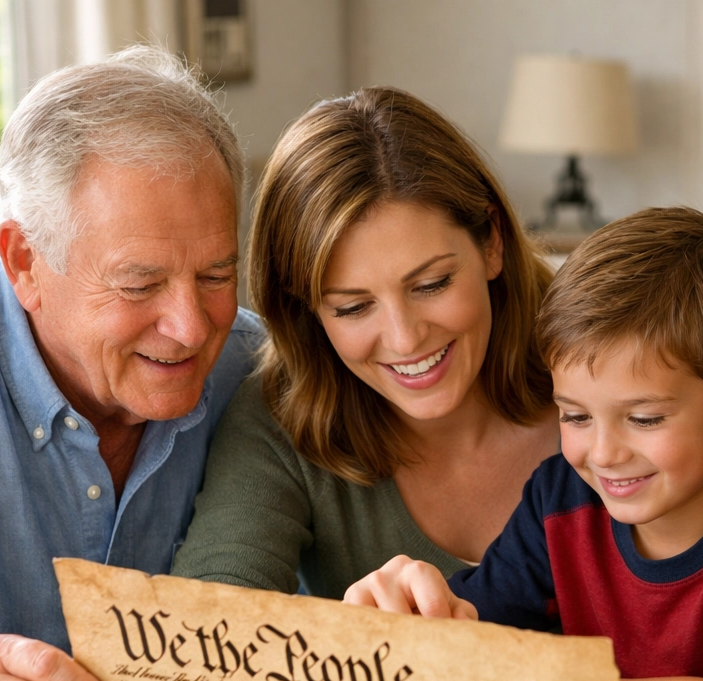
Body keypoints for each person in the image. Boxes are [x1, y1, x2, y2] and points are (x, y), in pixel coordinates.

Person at [346, 207, 703, 681]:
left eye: (644, 419)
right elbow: (461, 643)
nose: (602, 455)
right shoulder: (561, 501)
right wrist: (412, 611)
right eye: (575, 416)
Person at [0, 47, 262, 681]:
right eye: (140, 284)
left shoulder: (257, 371)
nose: (191, 326)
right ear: (25, 263)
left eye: (216, 274)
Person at [171, 86, 559, 595]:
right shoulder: (280, 418)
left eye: (432, 284)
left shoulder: (611, 355)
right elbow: (209, 619)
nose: (405, 338)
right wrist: (352, 634)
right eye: (352, 308)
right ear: (306, 311)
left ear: (492, 242)